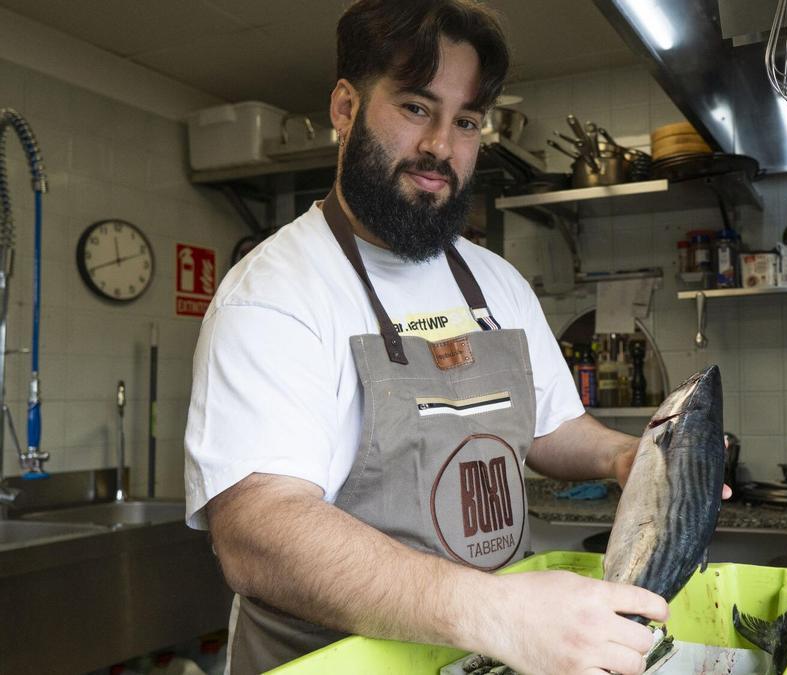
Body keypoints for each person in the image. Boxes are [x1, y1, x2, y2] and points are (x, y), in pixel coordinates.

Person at [183, 2, 673, 673]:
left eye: (466, 121)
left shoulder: (497, 283)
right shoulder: (274, 293)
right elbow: (258, 531)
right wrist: (501, 613)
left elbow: (551, 427)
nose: (441, 146)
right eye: (416, 107)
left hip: (487, 658)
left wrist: (626, 456)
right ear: (346, 108)